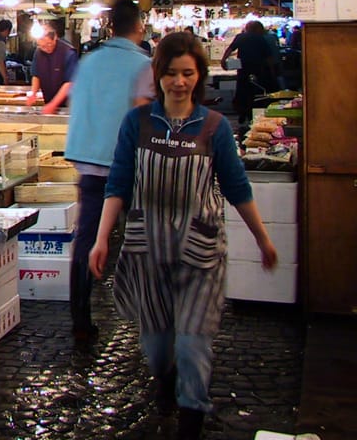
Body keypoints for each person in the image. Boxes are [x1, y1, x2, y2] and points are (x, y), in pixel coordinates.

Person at [89, 33, 277, 440]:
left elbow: (237, 187)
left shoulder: (214, 128)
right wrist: (101, 239)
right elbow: (118, 184)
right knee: (157, 347)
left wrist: (263, 239)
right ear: (158, 76)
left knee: (193, 343)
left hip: (201, 254)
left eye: (187, 73)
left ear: (199, 75)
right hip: (149, 251)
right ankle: (165, 377)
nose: (179, 82)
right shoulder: (137, 124)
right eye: (171, 73)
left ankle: (192, 415)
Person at [64, 0, 154, 342]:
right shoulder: (144, 65)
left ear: (110, 27)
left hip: (89, 163)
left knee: (86, 239)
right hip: (129, 166)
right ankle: (153, 318)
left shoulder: (89, 61)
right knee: (144, 239)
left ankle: (80, 320)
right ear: (139, 27)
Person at [220, 20, 274, 127]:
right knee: (255, 93)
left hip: (243, 70)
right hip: (258, 70)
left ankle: (242, 112)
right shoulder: (261, 38)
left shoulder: (240, 37)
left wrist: (223, 61)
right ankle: (251, 114)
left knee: (242, 91)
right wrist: (272, 71)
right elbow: (269, 57)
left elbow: (230, 49)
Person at [26, 21, 78, 113]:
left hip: (69, 103)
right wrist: (33, 93)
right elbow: (36, 75)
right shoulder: (38, 53)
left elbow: (69, 83)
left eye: (49, 44)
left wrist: (54, 104)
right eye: (42, 46)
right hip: (48, 99)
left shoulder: (68, 52)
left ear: (55, 38)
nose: (47, 48)